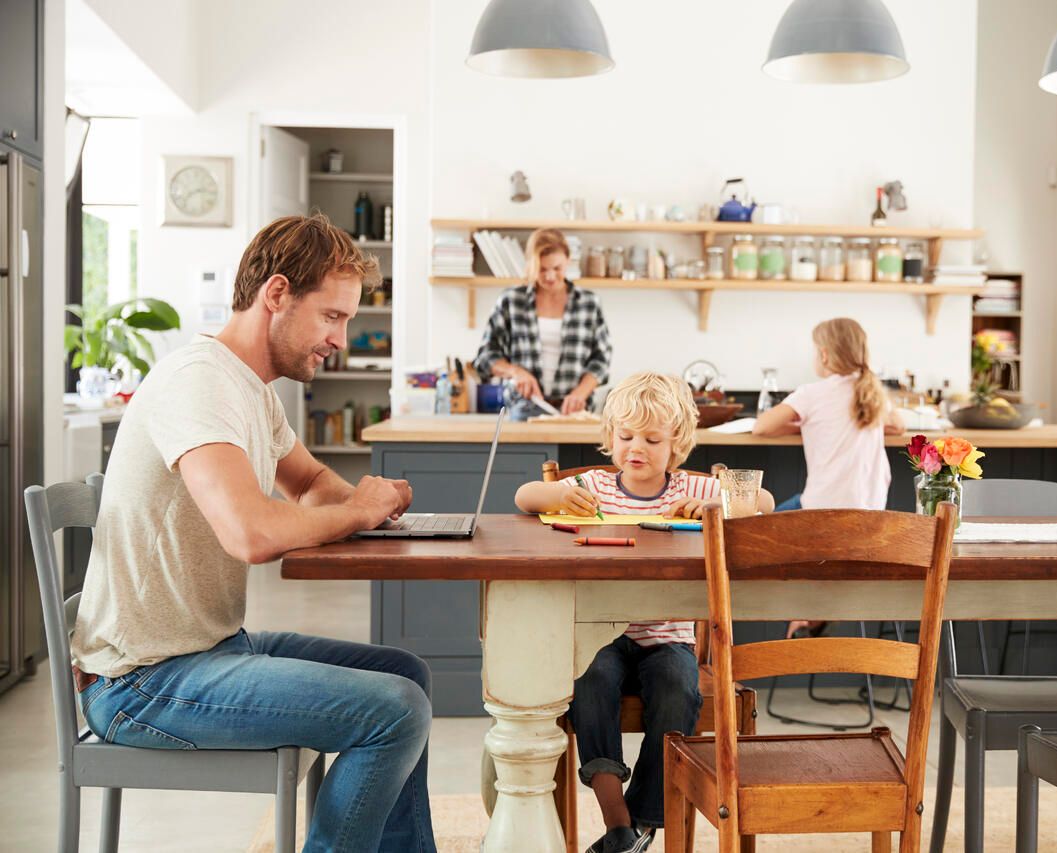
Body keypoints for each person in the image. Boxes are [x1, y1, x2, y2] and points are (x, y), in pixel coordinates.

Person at [69, 214, 436, 853]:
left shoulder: (252, 392)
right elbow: (250, 532)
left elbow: (312, 484)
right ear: (276, 295)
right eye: (331, 317)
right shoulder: (200, 382)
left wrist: (362, 503)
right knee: (396, 711)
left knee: (405, 673)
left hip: (208, 648)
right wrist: (356, 512)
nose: (340, 340)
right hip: (146, 682)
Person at [515, 372, 774, 853]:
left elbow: (763, 501)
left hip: (668, 635)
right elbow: (524, 497)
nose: (637, 447)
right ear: (610, 436)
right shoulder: (593, 485)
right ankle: (618, 822)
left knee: (679, 688)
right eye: (626, 436)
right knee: (587, 681)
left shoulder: (691, 487)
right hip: (601, 635)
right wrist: (557, 496)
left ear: (676, 445)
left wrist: (712, 502)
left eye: (653, 439)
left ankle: (638, 824)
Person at [753, 316, 904, 638]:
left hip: (821, 517)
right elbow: (898, 426)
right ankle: (815, 608)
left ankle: (806, 608)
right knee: (817, 549)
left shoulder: (812, 393)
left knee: (748, 537)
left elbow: (762, 426)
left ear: (823, 355)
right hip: (872, 522)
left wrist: (803, 422)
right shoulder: (873, 394)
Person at [473, 228, 612, 418]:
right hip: (524, 406)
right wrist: (516, 372)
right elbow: (485, 357)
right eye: (542, 269)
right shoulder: (511, 301)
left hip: (575, 410)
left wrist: (581, 392)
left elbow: (601, 359)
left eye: (557, 268)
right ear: (530, 264)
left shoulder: (589, 303)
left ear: (568, 261)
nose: (550, 276)